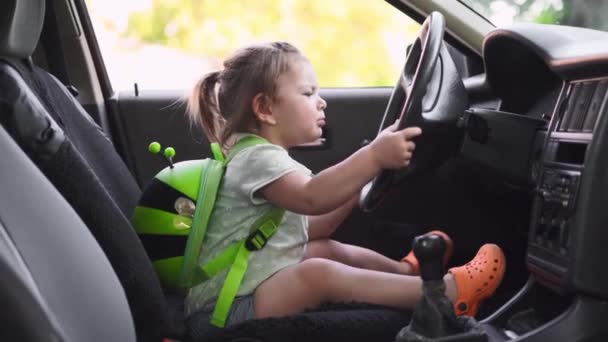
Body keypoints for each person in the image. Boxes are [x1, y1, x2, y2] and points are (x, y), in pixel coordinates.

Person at [184, 41, 506, 334]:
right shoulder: (256, 158)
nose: (321, 102)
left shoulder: (262, 157)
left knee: (321, 248)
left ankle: (404, 273)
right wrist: (373, 157)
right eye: (308, 93)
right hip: (226, 312)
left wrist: (365, 174)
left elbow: (316, 225)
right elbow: (312, 198)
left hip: (247, 287)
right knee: (316, 274)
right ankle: (446, 294)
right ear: (266, 109)